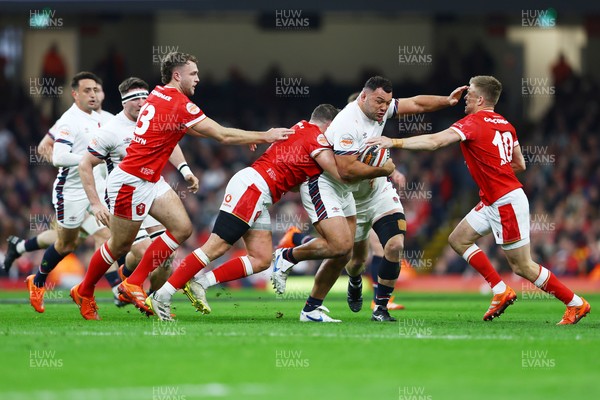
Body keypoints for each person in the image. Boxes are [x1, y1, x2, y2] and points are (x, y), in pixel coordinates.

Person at [70, 52, 293, 320]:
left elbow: (191, 129)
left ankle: (131, 282)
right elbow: (219, 133)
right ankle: (84, 290)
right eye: (193, 74)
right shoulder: (179, 103)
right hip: (130, 181)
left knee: (182, 228)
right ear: (177, 75)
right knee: (119, 245)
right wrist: (263, 135)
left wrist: (241, 141)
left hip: (151, 179)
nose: (198, 79)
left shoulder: (158, 94)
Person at [367, 75, 591, 325]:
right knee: (458, 239)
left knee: (523, 266)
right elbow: (520, 164)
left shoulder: (473, 122)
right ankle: (499, 290)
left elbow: (435, 141)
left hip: (505, 200)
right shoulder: (506, 124)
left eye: (470, 93)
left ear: (481, 99)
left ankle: (575, 303)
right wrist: (492, 169)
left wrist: (394, 141)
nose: (465, 97)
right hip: (493, 199)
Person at [271, 76, 467, 322]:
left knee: (394, 246)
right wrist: (384, 169)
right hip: (335, 187)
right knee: (348, 256)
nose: (384, 108)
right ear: (363, 97)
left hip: (376, 191)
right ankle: (290, 258)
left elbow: (416, 104)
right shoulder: (346, 124)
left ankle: (380, 308)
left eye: (387, 102)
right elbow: (346, 171)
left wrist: (447, 101)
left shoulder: (381, 110)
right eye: (379, 102)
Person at [146, 104, 344, 321]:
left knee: (261, 259)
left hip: (258, 192)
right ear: (330, 125)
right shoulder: (317, 137)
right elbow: (339, 173)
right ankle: (162, 295)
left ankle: (202, 282)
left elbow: (293, 177)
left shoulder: (299, 128)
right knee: (215, 247)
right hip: (253, 189)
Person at [78, 77, 199, 308]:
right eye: (135, 99)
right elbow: (85, 164)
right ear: (124, 102)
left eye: (145, 97)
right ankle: (94, 287)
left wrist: (185, 170)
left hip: (152, 187)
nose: (142, 102)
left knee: (167, 256)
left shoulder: (154, 119)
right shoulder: (111, 130)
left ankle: (151, 298)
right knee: (134, 249)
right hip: (125, 193)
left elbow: (170, 142)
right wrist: (95, 204)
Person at [24, 71, 112, 313]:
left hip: (97, 189)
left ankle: (92, 292)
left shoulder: (100, 119)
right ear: (74, 94)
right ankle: (38, 281)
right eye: (87, 91)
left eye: (95, 90)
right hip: (71, 191)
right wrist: (91, 159)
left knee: (111, 236)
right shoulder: (69, 121)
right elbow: (59, 157)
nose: (92, 95)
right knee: (66, 244)